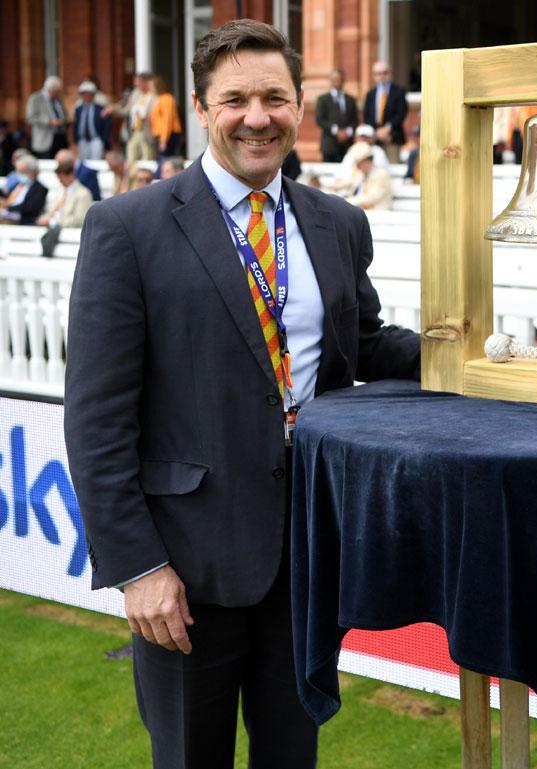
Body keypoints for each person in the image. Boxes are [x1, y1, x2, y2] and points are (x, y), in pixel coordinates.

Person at [64, 19, 420, 769]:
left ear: (299, 106)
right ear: (201, 108)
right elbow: (97, 420)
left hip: (307, 558)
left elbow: (365, 348)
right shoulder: (127, 226)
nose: (257, 117)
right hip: (185, 573)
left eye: (275, 97)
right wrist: (137, 567)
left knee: (291, 756)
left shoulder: (338, 223)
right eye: (236, 100)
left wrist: (476, 353)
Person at [362, 60, 407, 164]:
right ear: (374, 76)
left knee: (393, 168)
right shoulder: (370, 94)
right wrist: (377, 133)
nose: (382, 76)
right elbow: (367, 116)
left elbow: (401, 113)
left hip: (392, 138)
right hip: (374, 139)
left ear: (389, 73)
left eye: (385, 72)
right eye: (378, 73)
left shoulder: (398, 92)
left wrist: (387, 128)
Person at [112, 72, 159, 164]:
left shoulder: (154, 96)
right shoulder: (135, 95)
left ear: (145, 82)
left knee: (148, 158)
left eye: (138, 82)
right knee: (131, 156)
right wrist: (114, 110)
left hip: (148, 131)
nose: (136, 84)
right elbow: (127, 111)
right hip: (135, 131)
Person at [314, 68, 357, 162]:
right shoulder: (323, 99)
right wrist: (336, 131)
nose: (337, 82)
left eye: (340, 79)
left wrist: (347, 132)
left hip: (347, 146)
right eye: (335, 79)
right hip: (329, 145)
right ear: (331, 81)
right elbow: (320, 119)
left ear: (343, 81)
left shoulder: (351, 100)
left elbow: (355, 120)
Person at [336, 141, 392, 210]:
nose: (357, 167)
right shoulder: (362, 174)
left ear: (367, 161)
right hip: (360, 212)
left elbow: (371, 198)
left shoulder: (381, 174)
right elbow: (349, 182)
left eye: (359, 163)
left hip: (376, 214)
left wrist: (347, 201)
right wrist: (330, 186)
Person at [36, 160, 93, 228]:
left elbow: (80, 220)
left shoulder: (84, 193)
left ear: (71, 175)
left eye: (61, 178)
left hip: (69, 232)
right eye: (59, 178)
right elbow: (52, 211)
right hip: (53, 229)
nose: (60, 181)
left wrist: (52, 222)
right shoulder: (60, 190)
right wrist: (44, 219)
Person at [26, 76, 69, 159]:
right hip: (45, 139)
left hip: (60, 136)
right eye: (56, 92)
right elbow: (30, 117)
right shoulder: (35, 99)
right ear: (50, 90)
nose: (57, 94)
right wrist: (49, 121)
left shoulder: (59, 99)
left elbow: (64, 113)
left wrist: (64, 120)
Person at [0, 155, 48, 225]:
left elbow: (30, 208)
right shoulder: (17, 184)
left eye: (22, 172)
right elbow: (5, 195)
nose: (19, 175)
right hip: (5, 214)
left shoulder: (40, 189)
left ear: (32, 172)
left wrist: (7, 207)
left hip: (20, 220)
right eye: (18, 172)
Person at [73, 81, 112, 161]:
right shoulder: (78, 109)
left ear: (93, 95)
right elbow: (76, 125)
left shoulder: (100, 109)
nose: (86, 96)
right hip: (82, 140)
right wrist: (76, 140)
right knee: (83, 161)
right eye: (84, 94)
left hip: (96, 139)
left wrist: (105, 142)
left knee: (96, 161)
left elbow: (106, 126)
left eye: (89, 94)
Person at [150, 76, 183, 160]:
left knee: (166, 160)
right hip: (163, 134)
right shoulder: (160, 99)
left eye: (152, 86)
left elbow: (167, 120)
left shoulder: (166, 98)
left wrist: (164, 140)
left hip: (169, 134)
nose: (151, 89)